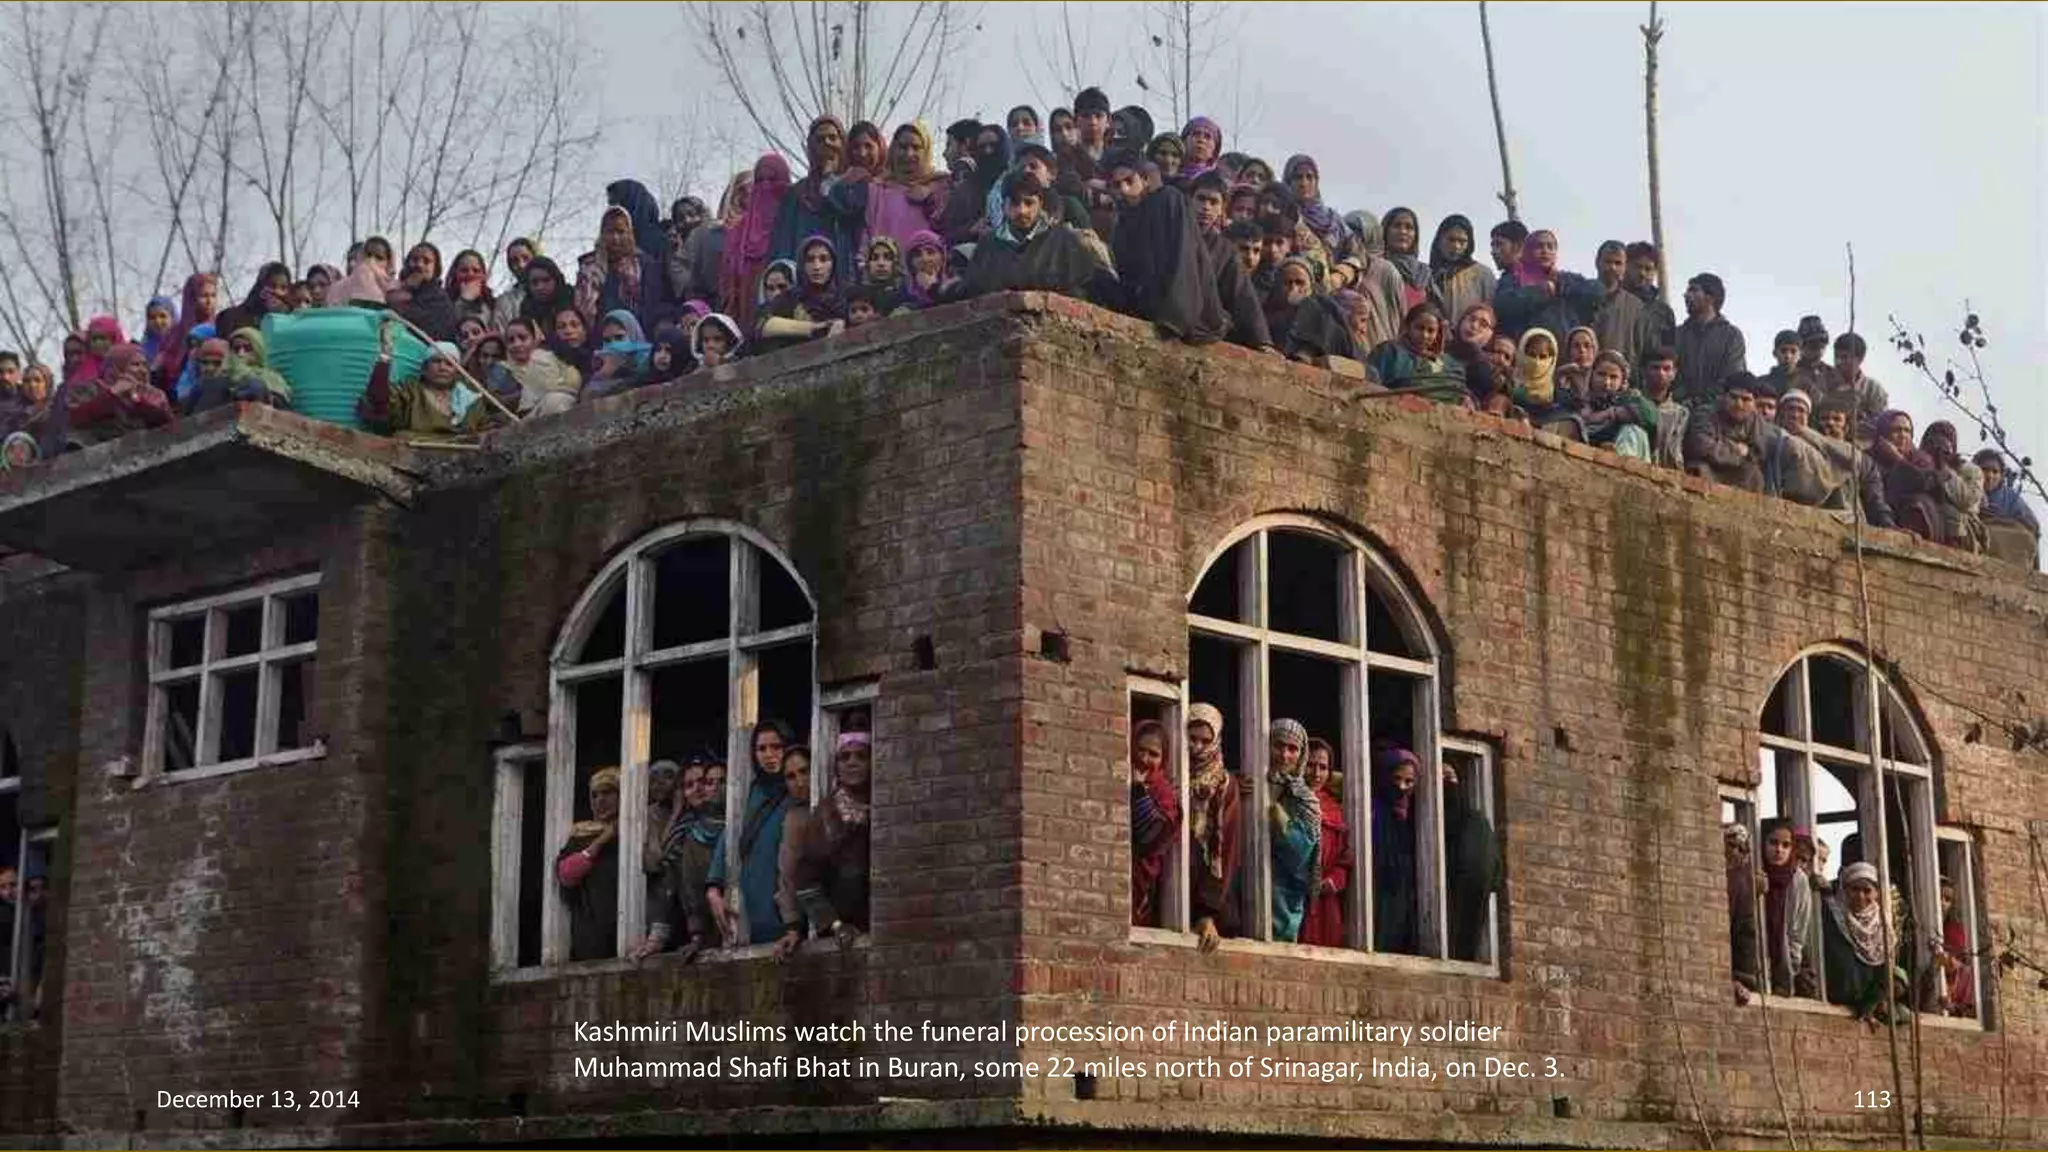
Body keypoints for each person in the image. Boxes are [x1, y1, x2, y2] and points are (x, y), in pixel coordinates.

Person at [1103, 153, 1226, 343]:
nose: (1125, 190)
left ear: (1144, 180)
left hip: (1182, 306)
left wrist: (1176, 314)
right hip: (1145, 301)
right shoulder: (1123, 222)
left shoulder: (1167, 199)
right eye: (1118, 185)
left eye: (1129, 181)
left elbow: (1182, 255)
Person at [773, 733, 874, 960]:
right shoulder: (826, 815)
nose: (852, 762)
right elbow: (804, 879)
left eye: (861, 756)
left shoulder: (887, 806)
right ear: (835, 766)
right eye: (844, 757)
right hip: (844, 940)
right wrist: (835, 925)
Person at [707, 719, 798, 947]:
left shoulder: (800, 790)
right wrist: (713, 888)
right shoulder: (749, 793)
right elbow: (730, 834)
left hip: (789, 916)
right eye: (761, 749)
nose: (769, 755)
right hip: (751, 918)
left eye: (776, 747)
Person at [630, 755, 727, 962]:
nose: (698, 789)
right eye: (688, 785)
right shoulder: (683, 832)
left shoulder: (733, 822)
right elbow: (668, 876)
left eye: (703, 781)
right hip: (700, 929)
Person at [954, 172, 1109, 302]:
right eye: (1014, 203)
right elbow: (971, 295)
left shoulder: (1065, 241)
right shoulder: (987, 246)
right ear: (1003, 206)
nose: (1022, 210)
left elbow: (1087, 293)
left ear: (1040, 204)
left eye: (1029, 203)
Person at [1869, 411, 1980, 546]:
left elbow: (1925, 481)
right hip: (1879, 519)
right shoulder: (1869, 458)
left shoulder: (1920, 459)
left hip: (1922, 530)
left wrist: (1898, 460)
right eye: (1896, 430)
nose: (1903, 435)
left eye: (1907, 431)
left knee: (1920, 501)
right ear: (1883, 433)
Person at [357, 329, 491, 439]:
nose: (442, 367)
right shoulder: (410, 391)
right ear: (424, 368)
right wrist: (384, 359)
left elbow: (484, 431)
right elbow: (378, 403)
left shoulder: (471, 398)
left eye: (449, 364)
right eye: (436, 361)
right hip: (416, 452)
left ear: (457, 371)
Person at [1822, 861, 1909, 1024]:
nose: (1860, 896)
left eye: (1867, 890)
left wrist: (1869, 1006)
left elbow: (1883, 974)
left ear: (1876, 893)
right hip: (1833, 1002)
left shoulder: (1883, 927)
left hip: (1862, 1011)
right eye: (1854, 889)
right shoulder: (1832, 917)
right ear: (1844, 889)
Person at [773, 116, 859, 274]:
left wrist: (832, 184)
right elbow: (784, 243)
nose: (827, 143)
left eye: (833, 138)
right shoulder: (797, 193)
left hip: (847, 276)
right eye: (820, 139)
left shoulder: (856, 186)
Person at [719, 154, 793, 335]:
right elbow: (729, 285)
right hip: (749, 320)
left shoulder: (795, 221)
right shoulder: (739, 233)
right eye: (760, 180)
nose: (767, 186)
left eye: (773, 179)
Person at [1186, 703, 1240, 953]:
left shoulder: (1224, 784)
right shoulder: (1173, 772)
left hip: (1206, 892)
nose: (1196, 747)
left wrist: (1208, 913)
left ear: (1216, 740)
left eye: (1204, 741)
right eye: (1191, 738)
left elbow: (1224, 851)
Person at [555, 766, 622, 961]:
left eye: (608, 792)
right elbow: (566, 875)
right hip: (592, 936)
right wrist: (602, 840)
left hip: (628, 934)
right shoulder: (581, 835)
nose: (600, 800)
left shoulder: (637, 831)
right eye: (595, 795)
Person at [1264, 720, 1319, 944]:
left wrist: (1283, 823)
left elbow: (1301, 858)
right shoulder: (1249, 784)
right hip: (1242, 900)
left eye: (1292, 749)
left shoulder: (1306, 799)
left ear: (1301, 754)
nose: (1284, 755)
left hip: (1283, 906)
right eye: (1278, 745)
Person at [56, 343, 174, 448]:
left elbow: (169, 426)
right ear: (115, 368)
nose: (143, 370)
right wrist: (112, 394)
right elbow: (76, 417)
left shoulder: (154, 394)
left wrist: (139, 401)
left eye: (145, 365)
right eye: (135, 365)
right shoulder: (91, 389)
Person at [1494, 229, 1601, 341]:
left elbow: (1598, 291)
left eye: (1550, 247)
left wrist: (1560, 284)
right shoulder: (1513, 278)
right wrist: (1541, 291)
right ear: (1527, 251)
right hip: (1528, 350)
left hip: (1566, 352)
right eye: (1539, 246)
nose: (1545, 251)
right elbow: (1502, 306)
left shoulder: (1565, 278)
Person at [576, 206, 668, 336]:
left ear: (629, 233)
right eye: (609, 232)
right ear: (602, 234)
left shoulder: (645, 264)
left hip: (638, 335)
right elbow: (581, 308)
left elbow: (652, 305)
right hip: (598, 337)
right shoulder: (589, 266)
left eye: (621, 232)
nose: (615, 238)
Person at [1443, 758, 1501, 962]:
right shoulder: (1418, 823)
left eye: (1448, 777)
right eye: (1438, 778)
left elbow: (1484, 872)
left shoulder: (1472, 821)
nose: (1444, 784)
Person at [1295, 738, 1351, 949]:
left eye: (1323, 767)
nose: (1316, 774)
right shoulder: (1287, 797)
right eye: (1310, 765)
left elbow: (1345, 856)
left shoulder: (1336, 808)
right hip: (1291, 893)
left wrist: (1333, 881)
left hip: (1325, 900)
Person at [1129, 720, 1182, 929]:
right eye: (1140, 750)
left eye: (1153, 754)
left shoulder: (1165, 794)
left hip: (1144, 884)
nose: (1144, 759)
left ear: (1164, 759)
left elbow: (1152, 836)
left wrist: (1138, 791)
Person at [1372, 744, 1423, 954]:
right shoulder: (1373, 808)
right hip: (1376, 884)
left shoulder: (1417, 815)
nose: (1402, 787)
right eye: (1397, 779)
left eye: (1409, 781)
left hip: (1404, 889)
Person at [755, 235, 847, 351]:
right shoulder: (790, 299)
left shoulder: (846, 296)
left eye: (823, 259)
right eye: (810, 260)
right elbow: (760, 326)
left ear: (834, 263)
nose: (817, 266)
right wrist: (814, 328)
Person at [671, 171, 747, 309]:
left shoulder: (765, 233)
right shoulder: (706, 232)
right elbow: (680, 266)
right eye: (741, 191)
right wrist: (696, 301)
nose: (746, 197)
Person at [1364, 303, 1467, 404]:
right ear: (1408, 327)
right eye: (1419, 328)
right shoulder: (1389, 352)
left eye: (1431, 331)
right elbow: (1370, 386)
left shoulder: (1450, 363)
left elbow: (1460, 391)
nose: (1425, 335)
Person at [1673, 273, 1747, 411]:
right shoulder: (1678, 335)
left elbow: (1733, 378)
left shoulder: (1731, 336)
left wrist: (1700, 402)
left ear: (1710, 298)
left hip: (1718, 416)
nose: (1686, 295)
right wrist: (1682, 400)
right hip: (1679, 411)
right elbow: (1670, 372)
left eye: (1693, 290)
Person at [1760, 818, 1815, 998]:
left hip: (1784, 967)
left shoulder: (1798, 879)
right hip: (1756, 964)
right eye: (1773, 843)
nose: (1779, 850)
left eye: (1786, 845)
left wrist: (1791, 965)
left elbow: (1798, 929)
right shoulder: (1755, 872)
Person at [1684, 372, 1768, 491]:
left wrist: (1742, 451)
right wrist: (1737, 450)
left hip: (1737, 472)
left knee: (1754, 474)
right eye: (1734, 397)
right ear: (1724, 396)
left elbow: (1758, 452)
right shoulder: (1705, 413)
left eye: (1746, 399)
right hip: (1710, 467)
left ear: (1754, 403)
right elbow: (1702, 447)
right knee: (1699, 469)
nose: (1739, 404)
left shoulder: (1755, 419)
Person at [489, 317, 582, 416]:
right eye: (511, 340)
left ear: (534, 339)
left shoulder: (551, 358)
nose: (517, 344)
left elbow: (573, 384)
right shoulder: (502, 370)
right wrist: (523, 393)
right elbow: (496, 403)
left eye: (523, 338)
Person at [1588, 240, 1658, 372]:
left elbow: (1643, 351)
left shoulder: (1636, 307)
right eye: (1608, 262)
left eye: (1618, 263)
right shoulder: (1580, 296)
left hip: (1622, 382)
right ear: (1597, 263)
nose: (1612, 268)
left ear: (1625, 267)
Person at [183, 330, 291, 414]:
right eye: (236, 348)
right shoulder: (203, 386)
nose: (241, 353)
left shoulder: (271, 379)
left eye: (247, 348)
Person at [1579, 349, 1656, 459]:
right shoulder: (1579, 400)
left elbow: (1652, 419)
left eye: (1613, 377)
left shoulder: (1626, 400)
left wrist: (1611, 413)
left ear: (1622, 382)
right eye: (1601, 374)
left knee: (1633, 430)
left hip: (1619, 463)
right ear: (1591, 375)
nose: (1606, 382)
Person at [1426, 215, 1496, 330]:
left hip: (1470, 340)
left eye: (1462, 241)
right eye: (1451, 240)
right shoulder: (1427, 274)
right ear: (1439, 241)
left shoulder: (1482, 274)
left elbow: (1490, 314)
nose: (1456, 246)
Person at [1974, 448, 2040, 565]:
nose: (1989, 476)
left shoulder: (2010, 497)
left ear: (2001, 475)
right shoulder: (1966, 488)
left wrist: (2003, 520)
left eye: (1995, 472)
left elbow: (2033, 526)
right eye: (1985, 469)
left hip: (2008, 543)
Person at [153, 272, 220, 388]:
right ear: (192, 298)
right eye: (204, 296)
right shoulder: (174, 336)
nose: (210, 302)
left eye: (213, 296)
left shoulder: (220, 328)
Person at [1819, 332, 1890, 439]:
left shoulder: (1873, 389)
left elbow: (1879, 424)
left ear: (1860, 359)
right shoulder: (1822, 381)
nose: (1838, 362)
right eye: (1836, 357)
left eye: (1844, 357)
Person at [1726, 822, 1762, 1002]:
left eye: (1741, 849)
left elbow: (1745, 933)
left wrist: (1741, 978)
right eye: (1730, 845)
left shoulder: (1742, 884)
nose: (1734, 852)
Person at [213, 262, 293, 340]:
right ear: (260, 286)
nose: (277, 292)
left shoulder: (292, 319)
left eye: (283, 288)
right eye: (272, 286)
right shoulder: (231, 318)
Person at [1639, 346, 1688, 469]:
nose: (1661, 373)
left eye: (1666, 369)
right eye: (1655, 368)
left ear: (1674, 373)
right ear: (1643, 371)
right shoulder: (1633, 401)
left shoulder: (1681, 413)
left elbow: (1677, 451)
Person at [138, 295, 176, 366]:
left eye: (162, 316)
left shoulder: (182, 344)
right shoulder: (141, 351)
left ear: (172, 318)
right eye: (152, 317)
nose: (157, 321)